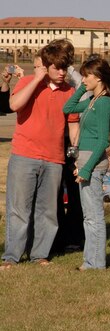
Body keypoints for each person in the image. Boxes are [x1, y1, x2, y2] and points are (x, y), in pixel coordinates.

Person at [0, 41, 79, 269]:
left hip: (55, 159)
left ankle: (40, 254)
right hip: (24, 155)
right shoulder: (27, 82)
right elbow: (14, 104)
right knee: (19, 209)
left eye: (66, 68)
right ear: (45, 66)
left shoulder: (70, 92)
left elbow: (73, 125)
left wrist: (75, 149)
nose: (63, 72)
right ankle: (11, 256)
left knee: (48, 211)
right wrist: (36, 79)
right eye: (57, 68)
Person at [62, 56, 110, 270]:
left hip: (92, 164)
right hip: (86, 160)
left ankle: (96, 263)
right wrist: (82, 89)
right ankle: (90, 261)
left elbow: (103, 140)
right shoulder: (94, 100)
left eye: (87, 76)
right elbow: (68, 108)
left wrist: (85, 168)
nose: (83, 79)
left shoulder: (103, 103)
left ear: (99, 77)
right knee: (89, 216)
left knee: (94, 216)